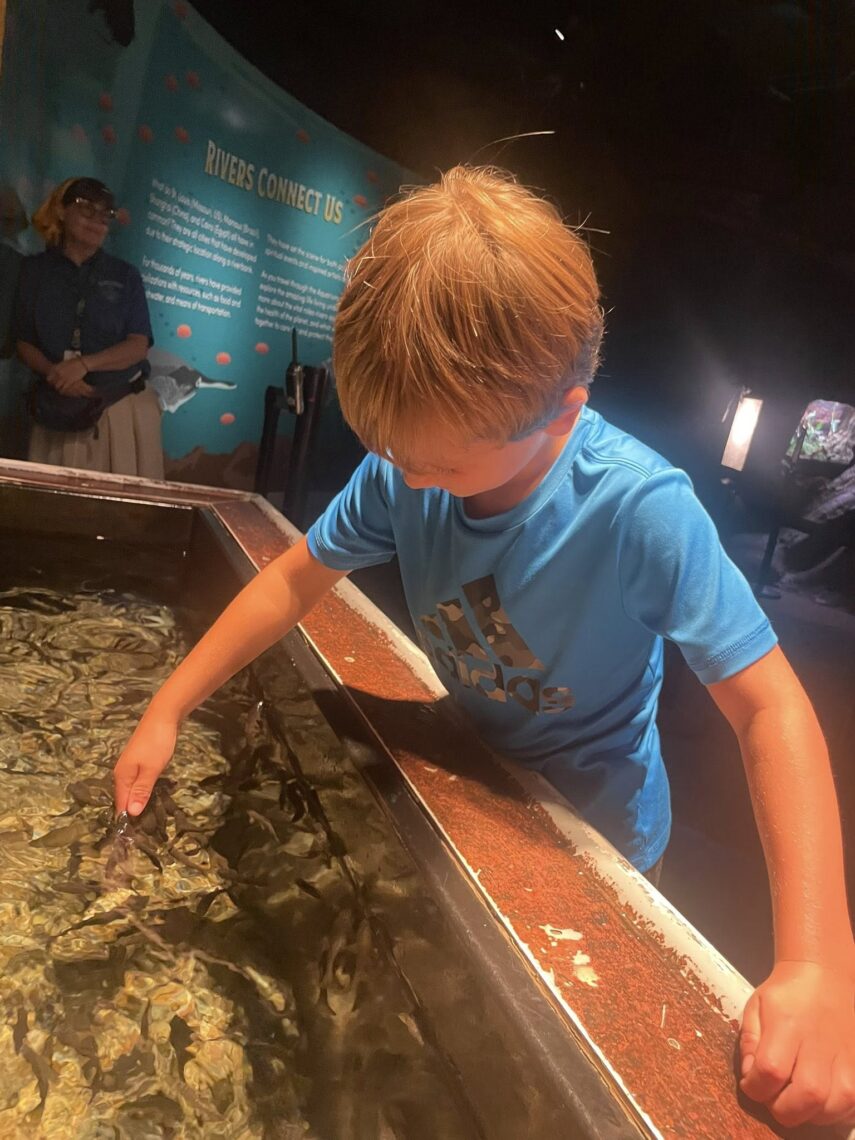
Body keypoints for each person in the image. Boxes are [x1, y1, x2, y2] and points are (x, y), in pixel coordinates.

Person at [114, 166, 854, 1129]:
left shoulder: (639, 508)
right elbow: (297, 578)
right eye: (392, 453)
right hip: (470, 765)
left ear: (561, 407)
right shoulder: (404, 469)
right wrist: (169, 705)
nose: (409, 482)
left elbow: (770, 708)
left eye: (440, 463)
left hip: (600, 831)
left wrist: (816, 962)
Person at [14, 176, 163, 478]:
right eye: (86, 208)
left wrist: (83, 365)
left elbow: (138, 344)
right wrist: (56, 374)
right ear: (61, 210)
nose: (97, 220)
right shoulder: (33, 271)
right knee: (56, 513)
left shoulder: (125, 275)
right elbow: (23, 340)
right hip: (58, 406)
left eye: (105, 214)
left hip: (120, 407)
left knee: (122, 516)